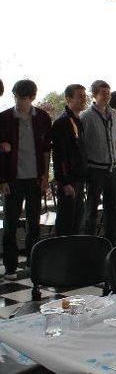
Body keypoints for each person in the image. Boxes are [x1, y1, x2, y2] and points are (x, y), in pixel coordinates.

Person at [0, 80, 52, 279]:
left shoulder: (43, 117)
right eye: (16, 97)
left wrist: (45, 176)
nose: (19, 101)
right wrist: (2, 180)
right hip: (12, 180)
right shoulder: (4, 118)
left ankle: (33, 262)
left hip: (35, 179)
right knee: (10, 224)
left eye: (23, 98)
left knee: (33, 223)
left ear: (32, 98)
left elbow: (47, 150)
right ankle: (11, 266)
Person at [81, 81, 116, 244]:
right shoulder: (86, 116)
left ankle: (110, 243)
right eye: (103, 93)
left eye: (108, 93)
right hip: (95, 169)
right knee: (92, 208)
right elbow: (82, 145)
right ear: (95, 94)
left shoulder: (113, 113)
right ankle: (90, 244)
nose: (107, 96)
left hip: (113, 168)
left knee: (112, 207)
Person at [52, 84, 88, 236]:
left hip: (78, 178)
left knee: (76, 222)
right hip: (69, 181)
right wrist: (65, 182)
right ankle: (62, 257)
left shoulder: (77, 120)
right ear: (68, 99)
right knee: (66, 223)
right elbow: (59, 155)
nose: (84, 99)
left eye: (84, 96)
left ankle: (74, 256)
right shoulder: (62, 122)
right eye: (80, 96)